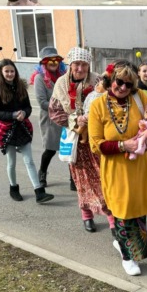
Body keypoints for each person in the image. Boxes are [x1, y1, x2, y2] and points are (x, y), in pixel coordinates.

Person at [87, 62, 147, 276]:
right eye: (118, 82)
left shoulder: (139, 97)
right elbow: (96, 143)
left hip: (140, 167)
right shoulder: (98, 105)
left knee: (139, 210)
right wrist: (124, 145)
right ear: (111, 80)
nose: (122, 87)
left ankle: (131, 248)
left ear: (133, 86)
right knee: (122, 211)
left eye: (127, 84)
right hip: (115, 168)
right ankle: (127, 256)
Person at [48, 47, 103, 229]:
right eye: (77, 64)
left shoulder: (97, 80)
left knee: (103, 178)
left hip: (97, 137)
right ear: (70, 65)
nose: (80, 68)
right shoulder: (61, 84)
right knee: (81, 179)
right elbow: (54, 113)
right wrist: (74, 119)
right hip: (75, 139)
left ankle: (112, 218)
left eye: (84, 65)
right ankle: (86, 215)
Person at [0, 58, 52, 203]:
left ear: (15, 72)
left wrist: (24, 113)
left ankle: (39, 192)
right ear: (1, 72)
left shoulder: (21, 87)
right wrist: (11, 115)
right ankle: (13, 188)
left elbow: (28, 107)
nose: (10, 74)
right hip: (6, 130)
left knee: (29, 161)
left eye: (12, 71)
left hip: (22, 127)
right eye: (7, 71)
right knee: (11, 162)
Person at [32, 46, 67, 190]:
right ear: (44, 63)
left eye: (56, 60)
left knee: (69, 148)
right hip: (50, 119)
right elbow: (42, 102)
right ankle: (42, 173)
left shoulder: (64, 76)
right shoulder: (39, 78)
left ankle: (73, 178)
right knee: (50, 149)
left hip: (66, 117)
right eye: (49, 60)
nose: (53, 62)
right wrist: (60, 108)